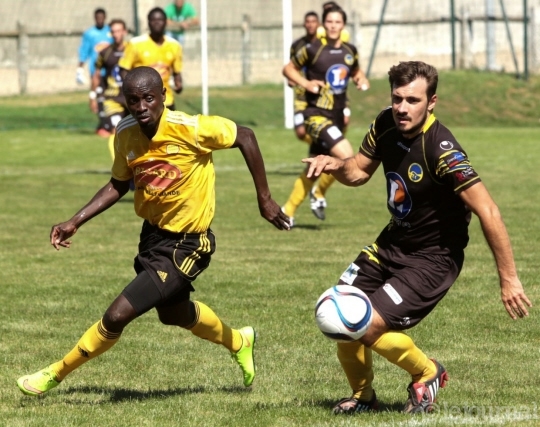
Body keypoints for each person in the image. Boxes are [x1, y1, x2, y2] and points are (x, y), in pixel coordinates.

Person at [16, 66, 291, 397]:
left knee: (117, 315)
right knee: (174, 314)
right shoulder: (126, 132)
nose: (141, 106)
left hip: (189, 244)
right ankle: (239, 341)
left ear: (163, 96)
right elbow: (119, 183)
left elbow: (245, 135)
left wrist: (265, 199)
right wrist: (75, 220)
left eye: (148, 98)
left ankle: (54, 374)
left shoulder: (191, 128)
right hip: (153, 237)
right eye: (133, 100)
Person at [303, 61, 532, 415]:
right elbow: (360, 171)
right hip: (392, 243)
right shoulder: (384, 123)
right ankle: (363, 397)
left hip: (433, 258)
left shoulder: (441, 150)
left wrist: (509, 278)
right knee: (337, 314)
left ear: (432, 102)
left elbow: (489, 211)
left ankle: (427, 372)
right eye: (397, 98)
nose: (402, 108)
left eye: (412, 100)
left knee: (363, 324)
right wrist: (337, 165)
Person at [281, 5, 369, 227]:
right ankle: (319, 193)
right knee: (347, 157)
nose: (333, 26)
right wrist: (306, 83)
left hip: (337, 114)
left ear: (343, 25)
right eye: (329, 22)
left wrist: (361, 79)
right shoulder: (312, 49)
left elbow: (356, 71)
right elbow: (288, 69)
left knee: (316, 166)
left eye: (337, 22)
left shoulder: (350, 51)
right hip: (316, 115)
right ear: (324, 24)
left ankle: (287, 211)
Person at [119, 7, 183, 111]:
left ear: (166, 22)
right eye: (153, 20)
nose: (157, 23)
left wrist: (178, 84)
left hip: (167, 101)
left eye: (160, 20)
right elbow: (123, 70)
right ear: (148, 23)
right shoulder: (135, 43)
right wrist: (131, 92)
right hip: (142, 103)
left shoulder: (175, 45)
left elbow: (177, 73)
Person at [90, 19, 129, 160]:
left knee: (133, 132)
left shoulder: (133, 50)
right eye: (113, 31)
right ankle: (118, 166)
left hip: (130, 98)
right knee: (116, 129)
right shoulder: (105, 53)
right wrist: (92, 96)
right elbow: (96, 74)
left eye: (119, 31)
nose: (116, 34)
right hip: (112, 98)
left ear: (124, 32)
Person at [77, 7, 113, 137]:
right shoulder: (89, 34)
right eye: (97, 18)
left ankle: (106, 125)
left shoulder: (110, 32)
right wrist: (80, 68)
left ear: (105, 18)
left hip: (110, 72)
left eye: (102, 17)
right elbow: (84, 50)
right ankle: (103, 125)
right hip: (96, 71)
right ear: (95, 18)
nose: (100, 20)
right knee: (98, 98)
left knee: (111, 97)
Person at [288, 11, 320, 145]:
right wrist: (291, 79)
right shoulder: (297, 45)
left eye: (313, 22)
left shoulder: (322, 45)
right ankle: (318, 146)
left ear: (319, 24)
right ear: (304, 24)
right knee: (300, 131)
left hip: (318, 95)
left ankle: (322, 148)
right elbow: (292, 67)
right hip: (301, 96)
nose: (310, 25)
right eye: (308, 22)